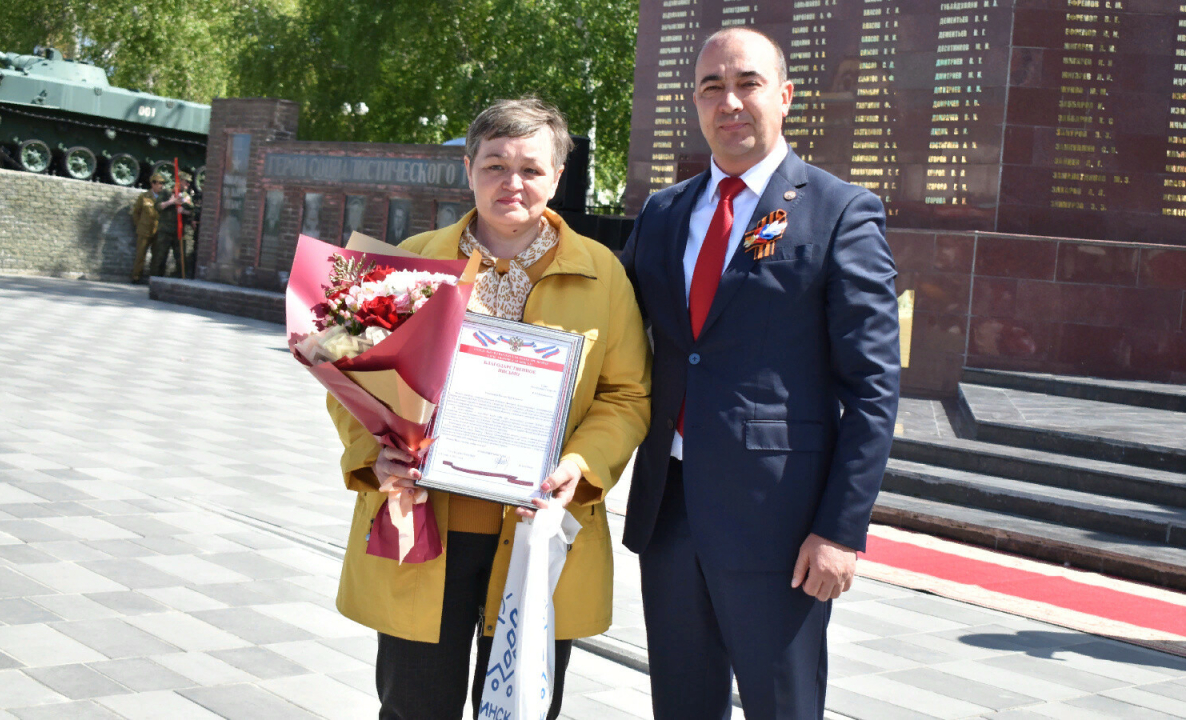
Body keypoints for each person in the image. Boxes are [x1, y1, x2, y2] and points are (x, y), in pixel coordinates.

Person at [325, 97, 650, 720]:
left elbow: (627, 394)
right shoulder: (410, 260)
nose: (512, 183)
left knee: (522, 710)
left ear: (557, 178)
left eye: (531, 168)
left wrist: (583, 463)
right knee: (413, 707)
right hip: (424, 527)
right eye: (495, 164)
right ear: (467, 168)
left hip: (538, 533)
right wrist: (379, 454)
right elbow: (349, 378)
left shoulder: (603, 273)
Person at [619, 28, 900, 720]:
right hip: (671, 510)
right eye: (711, 87)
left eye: (746, 83)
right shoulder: (664, 212)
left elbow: (872, 388)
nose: (730, 101)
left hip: (781, 526)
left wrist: (840, 529)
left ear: (785, 96)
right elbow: (611, 334)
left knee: (783, 706)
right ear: (695, 102)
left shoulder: (840, 212)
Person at [151, 171, 194, 278]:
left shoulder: (186, 196)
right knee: (159, 258)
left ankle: (180, 281)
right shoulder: (166, 192)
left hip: (178, 232)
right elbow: (157, 207)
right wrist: (171, 202)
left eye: (189, 183)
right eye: (186, 182)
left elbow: (192, 212)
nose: (188, 184)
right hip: (165, 231)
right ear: (179, 181)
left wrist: (184, 211)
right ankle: (156, 280)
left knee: (181, 259)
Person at [129, 174, 163, 283]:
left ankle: (153, 279)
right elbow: (136, 213)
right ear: (153, 184)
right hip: (144, 230)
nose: (161, 186)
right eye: (159, 183)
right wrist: (139, 225)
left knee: (156, 256)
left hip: (157, 230)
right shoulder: (144, 197)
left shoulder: (164, 198)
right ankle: (136, 276)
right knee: (140, 254)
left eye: (163, 183)